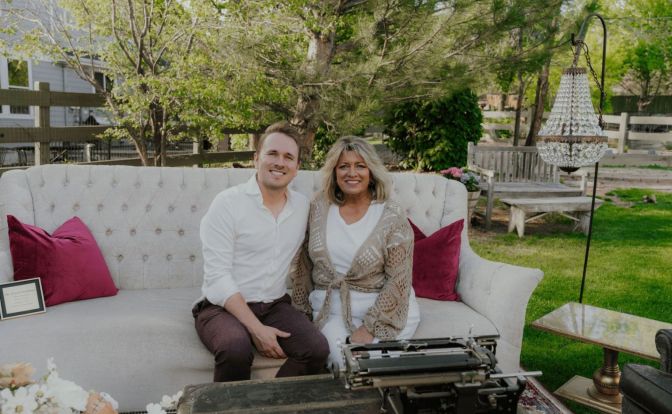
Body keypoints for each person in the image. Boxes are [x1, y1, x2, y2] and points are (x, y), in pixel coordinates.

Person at [193, 121, 329, 382]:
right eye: (272, 154)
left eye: (288, 157)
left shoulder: (303, 207)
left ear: (297, 167)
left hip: (274, 305)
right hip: (221, 307)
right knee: (235, 349)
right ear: (256, 159)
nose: (280, 162)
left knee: (316, 349)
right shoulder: (228, 203)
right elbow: (217, 278)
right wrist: (257, 329)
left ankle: (270, 401)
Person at [291, 136, 420, 365]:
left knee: (374, 364)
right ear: (334, 172)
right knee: (345, 363)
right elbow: (305, 265)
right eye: (344, 166)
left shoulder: (390, 214)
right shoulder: (319, 207)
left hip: (385, 308)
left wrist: (369, 329)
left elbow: (398, 278)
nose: (352, 173)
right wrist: (300, 312)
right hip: (331, 309)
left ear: (371, 172)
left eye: (360, 166)